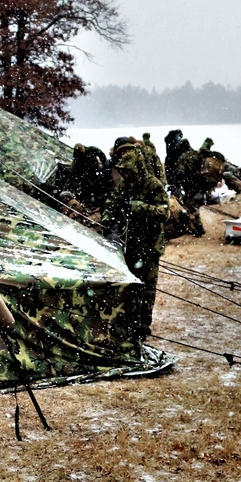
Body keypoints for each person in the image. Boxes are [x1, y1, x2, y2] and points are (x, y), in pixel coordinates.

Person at [102, 142, 168, 337]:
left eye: (130, 172)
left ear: (137, 169)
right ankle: (128, 325)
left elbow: (165, 212)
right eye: (124, 172)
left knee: (147, 291)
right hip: (130, 245)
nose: (127, 176)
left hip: (150, 246)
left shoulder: (153, 184)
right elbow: (111, 204)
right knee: (131, 288)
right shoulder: (123, 186)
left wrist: (138, 207)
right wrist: (108, 223)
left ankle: (143, 327)